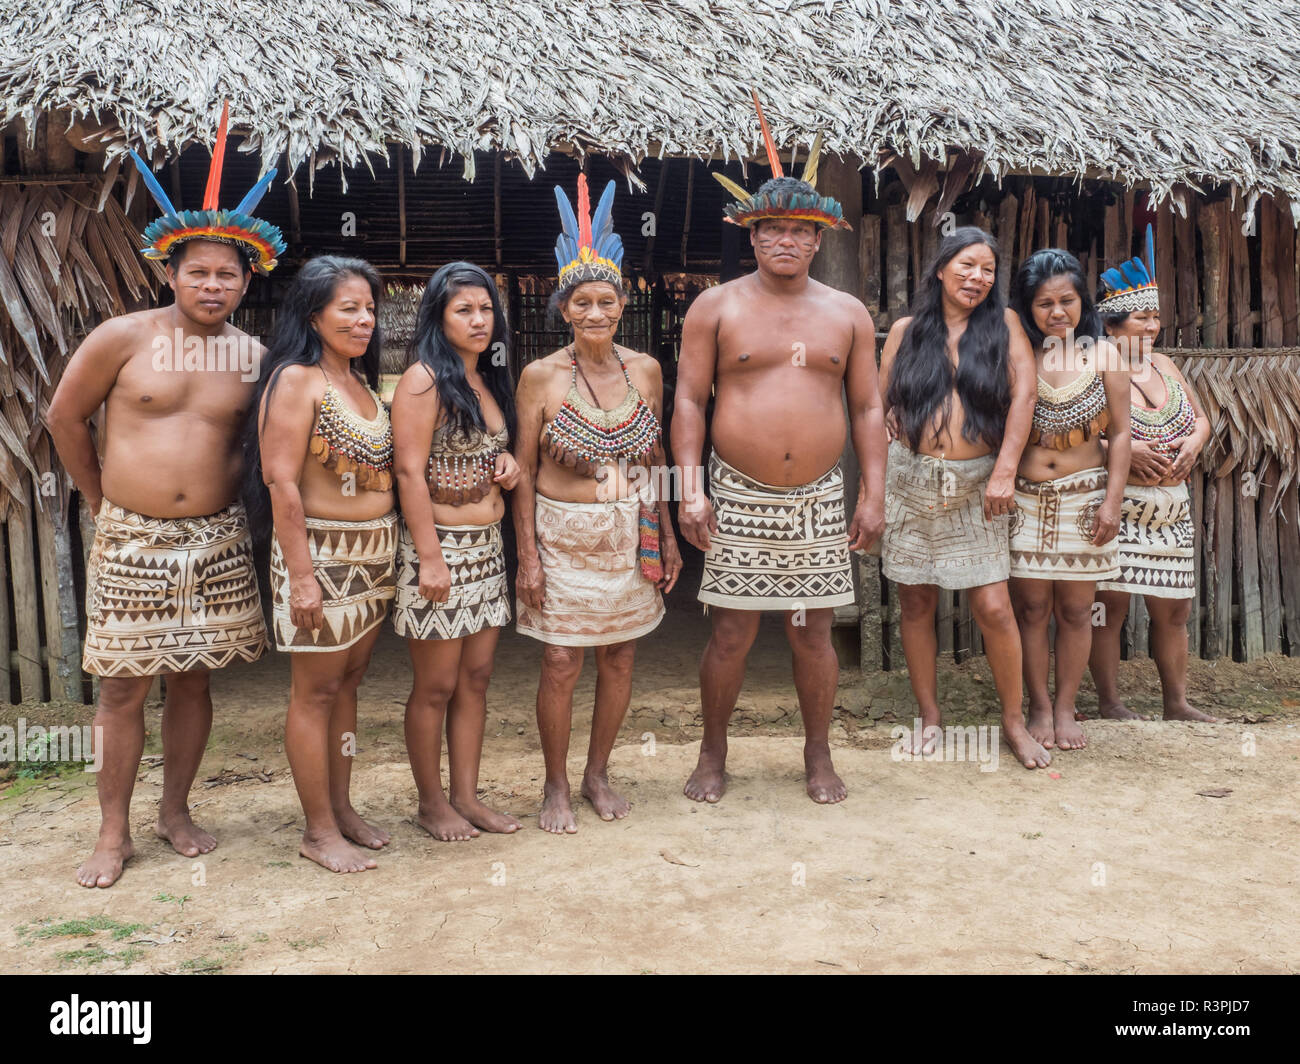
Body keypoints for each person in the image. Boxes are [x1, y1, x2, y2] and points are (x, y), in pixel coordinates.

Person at [46, 104, 282, 888]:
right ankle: (111, 831)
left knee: (196, 675)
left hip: (215, 538)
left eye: (227, 273)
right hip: (132, 536)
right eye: (199, 271)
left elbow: (271, 446)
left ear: (247, 280)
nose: (212, 284)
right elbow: (64, 416)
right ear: (171, 273)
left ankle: (174, 809)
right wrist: (102, 497)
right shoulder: (123, 337)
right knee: (122, 684)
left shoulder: (253, 357)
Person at [673, 97, 886, 805]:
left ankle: (818, 755)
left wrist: (873, 491)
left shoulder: (847, 313)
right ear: (753, 236)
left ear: (819, 238)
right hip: (736, 491)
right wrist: (690, 489)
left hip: (819, 496)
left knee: (811, 635)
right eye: (773, 231)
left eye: (800, 231)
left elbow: (866, 406)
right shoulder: (716, 307)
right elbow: (688, 403)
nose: (786, 242)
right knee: (730, 634)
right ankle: (712, 754)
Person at [514, 174, 682, 833]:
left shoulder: (644, 371)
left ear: (621, 305)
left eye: (605, 302)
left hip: (629, 532)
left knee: (620, 655)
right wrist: (526, 555)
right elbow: (524, 472)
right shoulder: (540, 377)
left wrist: (666, 536)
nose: (594, 314)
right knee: (561, 659)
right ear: (564, 309)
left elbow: (656, 458)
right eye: (581, 302)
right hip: (561, 536)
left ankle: (597, 773)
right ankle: (555, 784)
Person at [878, 227, 1050, 769]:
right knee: (915, 601)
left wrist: (1004, 470)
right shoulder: (905, 331)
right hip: (911, 481)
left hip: (980, 482)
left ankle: (1014, 722)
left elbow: (1025, 393)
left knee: (994, 606)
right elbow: (877, 406)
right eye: (967, 266)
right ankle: (930, 717)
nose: (977, 278)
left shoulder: (1004, 325)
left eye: (988, 270)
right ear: (941, 270)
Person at [254, 256, 397, 873]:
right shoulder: (297, 380)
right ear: (313, 314)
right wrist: (302, 577)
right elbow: (280, 481)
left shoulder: (364, 383)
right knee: (314, 694)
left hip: (374, 555)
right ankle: (317, 830)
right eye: (349, 308)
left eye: (368, 308)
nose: (364, 320)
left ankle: (341, 807)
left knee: (348, 688)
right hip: (322, 556)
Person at [391, 262, 524, 841]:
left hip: (487, 550)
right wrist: (430, 559)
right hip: (440, 550)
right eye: (463, 310)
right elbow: (408, 471)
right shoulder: (424, 380)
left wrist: (509, 465)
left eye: (485, 309)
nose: (478, 320)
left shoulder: (487, 381)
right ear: (438, 318)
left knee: (476, 679)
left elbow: (492, 452)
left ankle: (467, 797)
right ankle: (430, 802)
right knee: (437, 686)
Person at [1088, 230, 1216, 723]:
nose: (1152, 327)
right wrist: (1118, 450)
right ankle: (1109, 701)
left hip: (1172, 510)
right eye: (1142, 318)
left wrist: (1195, 440)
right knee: (1108, 610)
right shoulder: (1094, 365)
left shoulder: (1165, 364)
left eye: (1155, 317)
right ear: (1114, 326)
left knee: (1174, 610)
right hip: (1120, 505)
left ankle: (1176, 702)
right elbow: (1068, 434)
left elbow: (1202, 417)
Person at [1009, 249, 1131, 751]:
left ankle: (1065, 708)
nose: (1057, 312)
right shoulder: (1019, 355)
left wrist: (1112, 503)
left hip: (1085, 501)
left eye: (1067, 300)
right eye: (1043, 304)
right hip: (1026, 499)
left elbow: (1121, 434)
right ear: (1027, 307)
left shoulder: (1105, 356)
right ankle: (1037, 706)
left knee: (1078, 612)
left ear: (1083, 302)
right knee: (1033, 609)